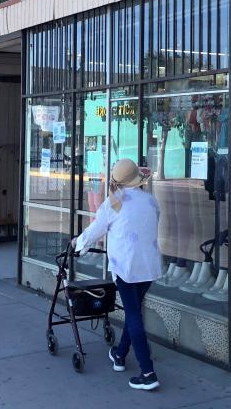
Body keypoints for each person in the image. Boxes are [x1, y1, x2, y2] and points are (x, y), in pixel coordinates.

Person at [72, 158, 163, 390]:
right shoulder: (151, 201)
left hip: (126, 267)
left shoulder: (114, 203)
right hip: (148, 267)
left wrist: (78, 244)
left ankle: (148, 372)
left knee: (133, 317)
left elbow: (95, 229)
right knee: (134, 313)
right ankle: (120, 354)